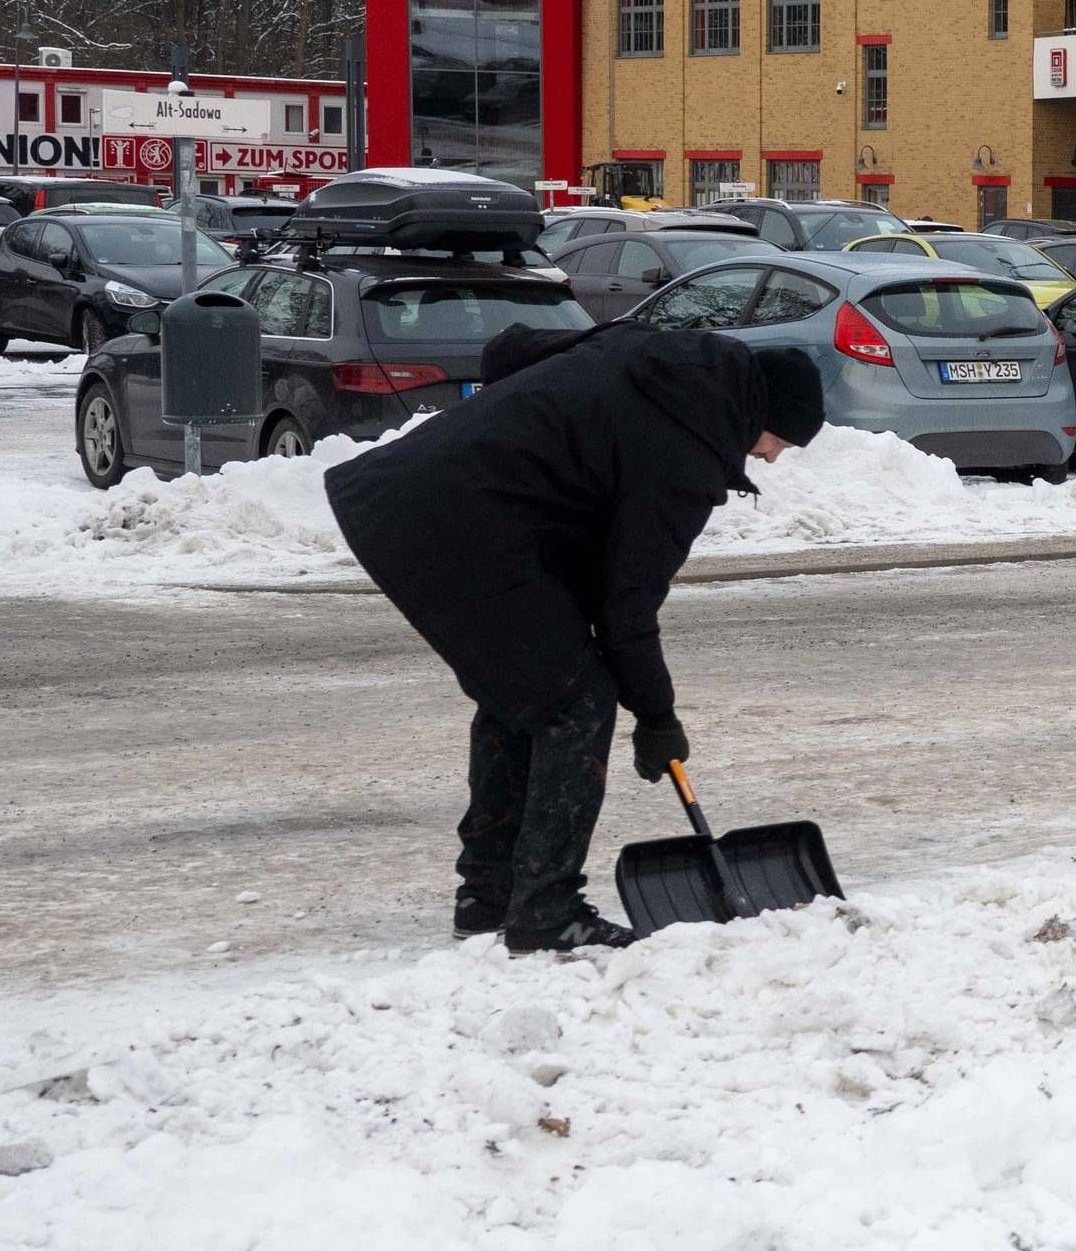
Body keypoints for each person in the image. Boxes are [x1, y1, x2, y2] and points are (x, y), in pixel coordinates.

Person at [326, 323, 825, 954]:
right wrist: (656, 716)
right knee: (575, 699)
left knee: (525, 690)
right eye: (780, 441)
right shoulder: (686, 449)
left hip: (412, 493)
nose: (772, 457)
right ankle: (544, 911)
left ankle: (488, 898)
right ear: (764, 411)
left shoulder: (655, 361)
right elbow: (629, 602)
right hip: (457, 520)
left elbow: (512, 350)